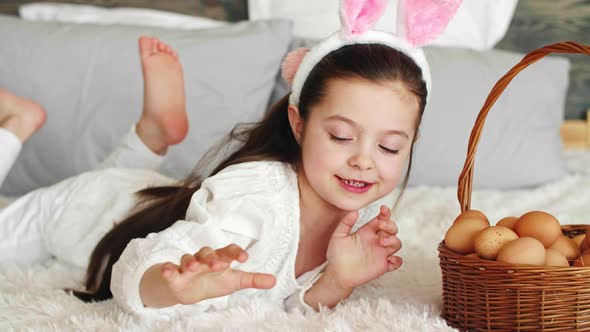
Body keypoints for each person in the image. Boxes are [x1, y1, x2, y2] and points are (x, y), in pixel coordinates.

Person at [0, 0, 460, 319]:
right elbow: (136, 268)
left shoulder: (356, 217)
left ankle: (153, 134)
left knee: (122, 183)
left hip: (141, 194)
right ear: (298, 125)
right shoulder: (253, 196)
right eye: (341, 136)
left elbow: (286, 305)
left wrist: (338, 280)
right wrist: (171, 285)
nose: (364, 160)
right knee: (92, 192)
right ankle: (18, 121)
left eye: (389, 147)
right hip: (84, 210)